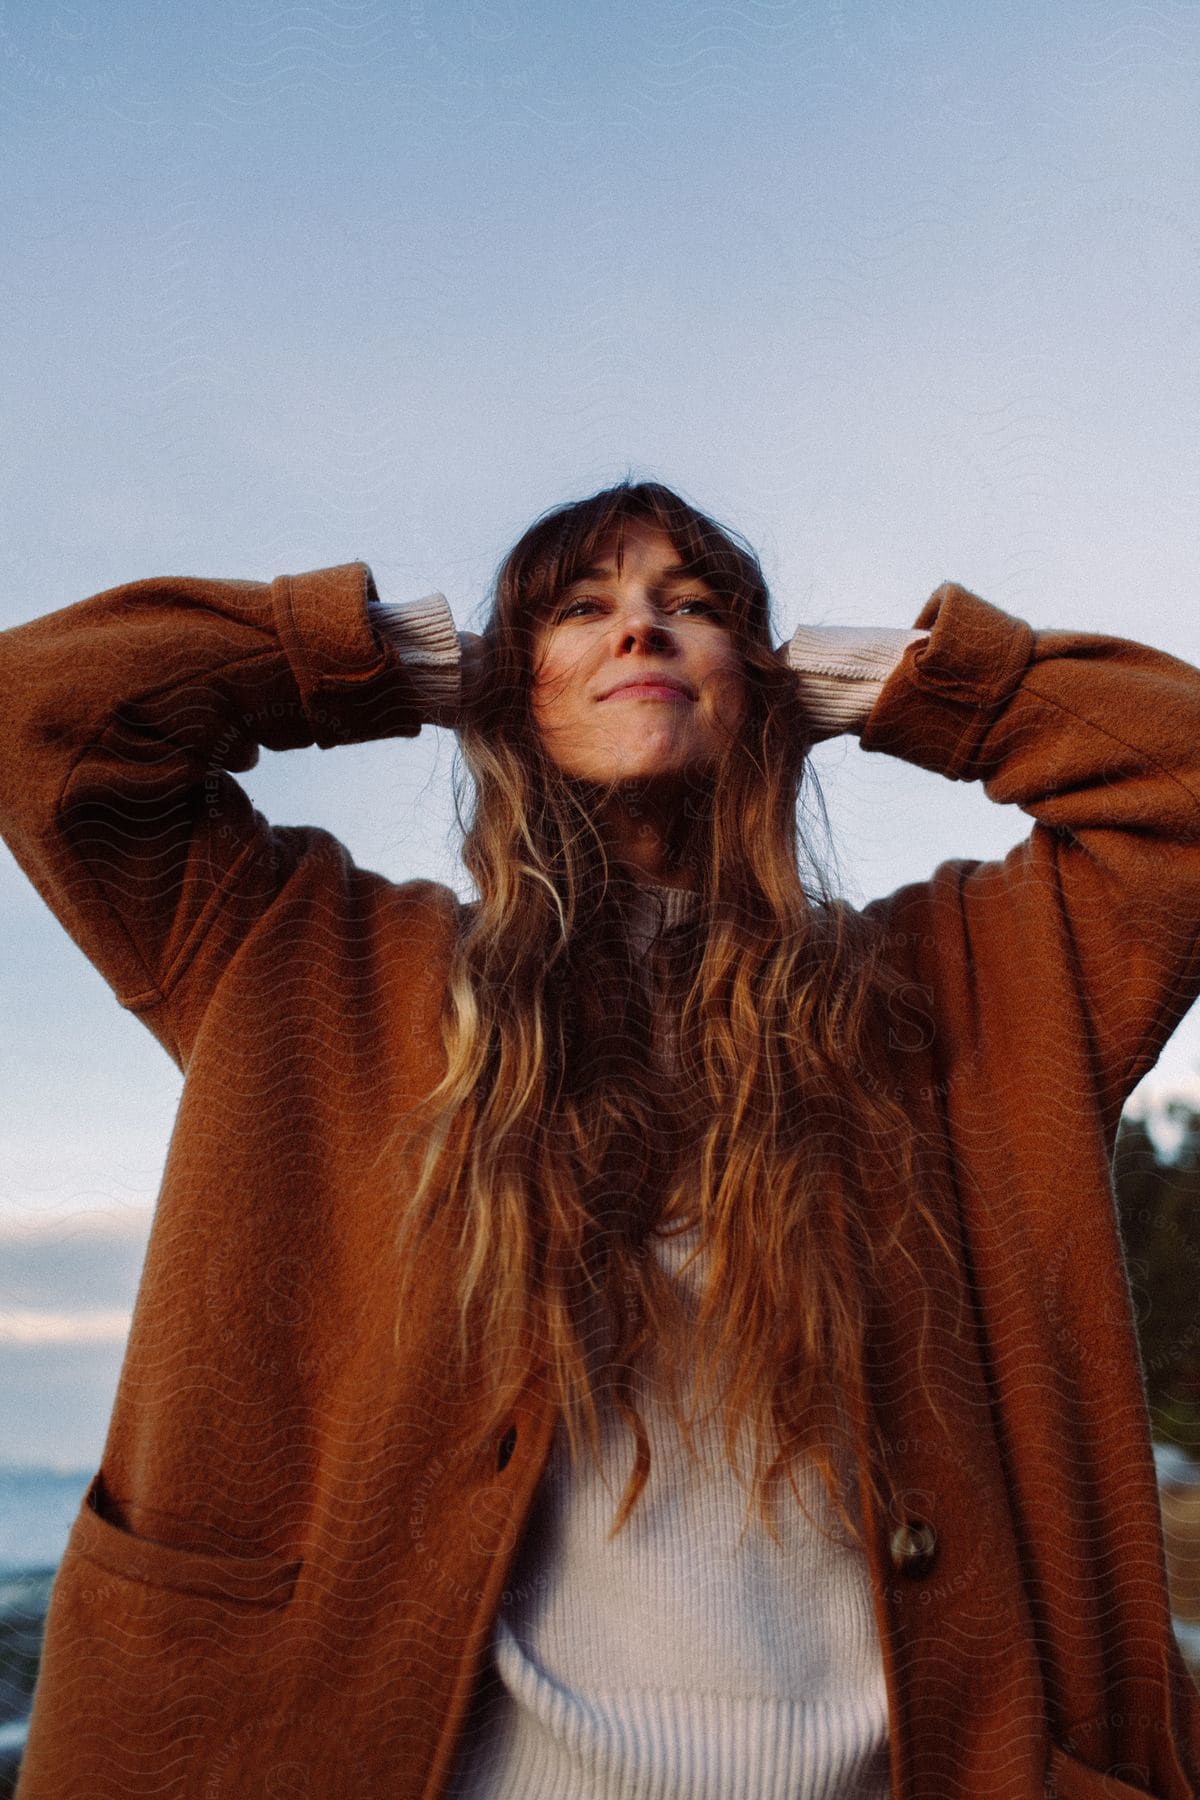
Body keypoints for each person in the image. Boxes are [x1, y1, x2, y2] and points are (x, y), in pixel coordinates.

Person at [2, 479, 1200, 1800]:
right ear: (514, 688)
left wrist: (923, 685)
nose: (641, 631)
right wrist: (383, 660)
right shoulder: (306, 951)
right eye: (584, 609)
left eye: (691, 609)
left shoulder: (960, 978)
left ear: (764, 687)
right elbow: (44, 718)